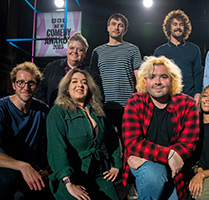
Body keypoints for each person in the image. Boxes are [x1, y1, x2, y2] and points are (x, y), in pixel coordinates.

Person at [122, 56, 200, 200]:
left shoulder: (187, 104)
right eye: (152, 77)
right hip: (152, 167)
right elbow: (132, 142)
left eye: (163, 76)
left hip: (174, 169)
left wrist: (145, 156)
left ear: (172, 80)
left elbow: (188, 144)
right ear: (145, 81)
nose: (157, 82)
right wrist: (169, 155)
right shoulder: (135, 102)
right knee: (154, 174)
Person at [47, 68, 122, 200]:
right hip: (72, 175)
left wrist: (116, 165)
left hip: (99, 172)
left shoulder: (97, 111)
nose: (80, 85)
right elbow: (56, 149)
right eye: (74, 81)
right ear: (67, 88)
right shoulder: (58, 112)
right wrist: (68, 183)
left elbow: (113, 139)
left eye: (84, 82)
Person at [0, 62, 50, 199]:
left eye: (31, 83)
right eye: (21, 82)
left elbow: (55, 141)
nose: (26, 88)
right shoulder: (2, 108)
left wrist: (49, 167)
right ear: (14, 85)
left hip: (32, 169)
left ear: (37, 87)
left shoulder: (42, 110)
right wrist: (22, 166)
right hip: (7, 168)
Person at [89, 13, 142, 139]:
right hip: (104, 105)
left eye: (120, 25)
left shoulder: (133, 49)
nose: (116, 28)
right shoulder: (97, 51)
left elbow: (139, 79)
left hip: (127, 106)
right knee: (107, 144)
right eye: (113, 24)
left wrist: (140, 102)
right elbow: (92, 80)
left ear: (125, 30)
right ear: (108, 27)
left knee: (128, 141)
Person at [36, 32, 101, 108]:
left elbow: (97, 99)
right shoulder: (51, 67)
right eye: (72, 48)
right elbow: (40, 89)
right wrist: (44, 106)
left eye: (79, 50)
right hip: (53, 113)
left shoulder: (92, 76)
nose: (75, 52)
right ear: (67, 49)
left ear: (85, 54)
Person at [154, 9, 203, 104]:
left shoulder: (194, 49)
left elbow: (198, 74)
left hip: (189, 98)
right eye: (175, 24)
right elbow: (156, 77)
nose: (178, 27)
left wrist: (198, 93)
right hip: (166, 99)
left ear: (185, 27)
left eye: (181, 24)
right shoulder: (159, 51)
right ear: (169, 27)